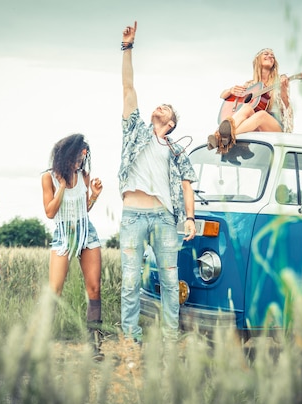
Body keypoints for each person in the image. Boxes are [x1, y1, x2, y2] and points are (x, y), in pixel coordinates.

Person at [119, 21, 198, 347]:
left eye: (165, 108)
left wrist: (189, 218)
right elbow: (128, 88)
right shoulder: (134, 130)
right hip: (132, 216)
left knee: (168, 279)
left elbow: (187, 183)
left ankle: (169, 339)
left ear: (171, 122)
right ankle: (130, 339)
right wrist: (127, 48)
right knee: (129, 280)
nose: (159, 106)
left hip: (165, 219)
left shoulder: (176, 149)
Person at [41, 133, 105, 361]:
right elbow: (50, 212)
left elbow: (83, 209)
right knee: (55, 291)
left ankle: (95, 346)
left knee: (94, 288)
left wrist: (94, 196)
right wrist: (61, 186)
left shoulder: (84, 176)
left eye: (84, 154)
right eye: (79, 153)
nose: (82, 157)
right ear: (67, 153)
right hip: (63, 235)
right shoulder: (48, 177)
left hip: (87, 233)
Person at [208, 48, 293, 154]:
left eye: (272, 55)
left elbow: (287, 108)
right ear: (257, 60)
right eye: (266, 54)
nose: (270, 56)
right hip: (254, 124)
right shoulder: (250, 85)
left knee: (261, 114)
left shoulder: (280, 80)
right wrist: (230, 90)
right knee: (247, 108)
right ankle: (220, 134)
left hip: (275, 126)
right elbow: (223, 96)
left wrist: (284, 91)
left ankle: (221, 138)